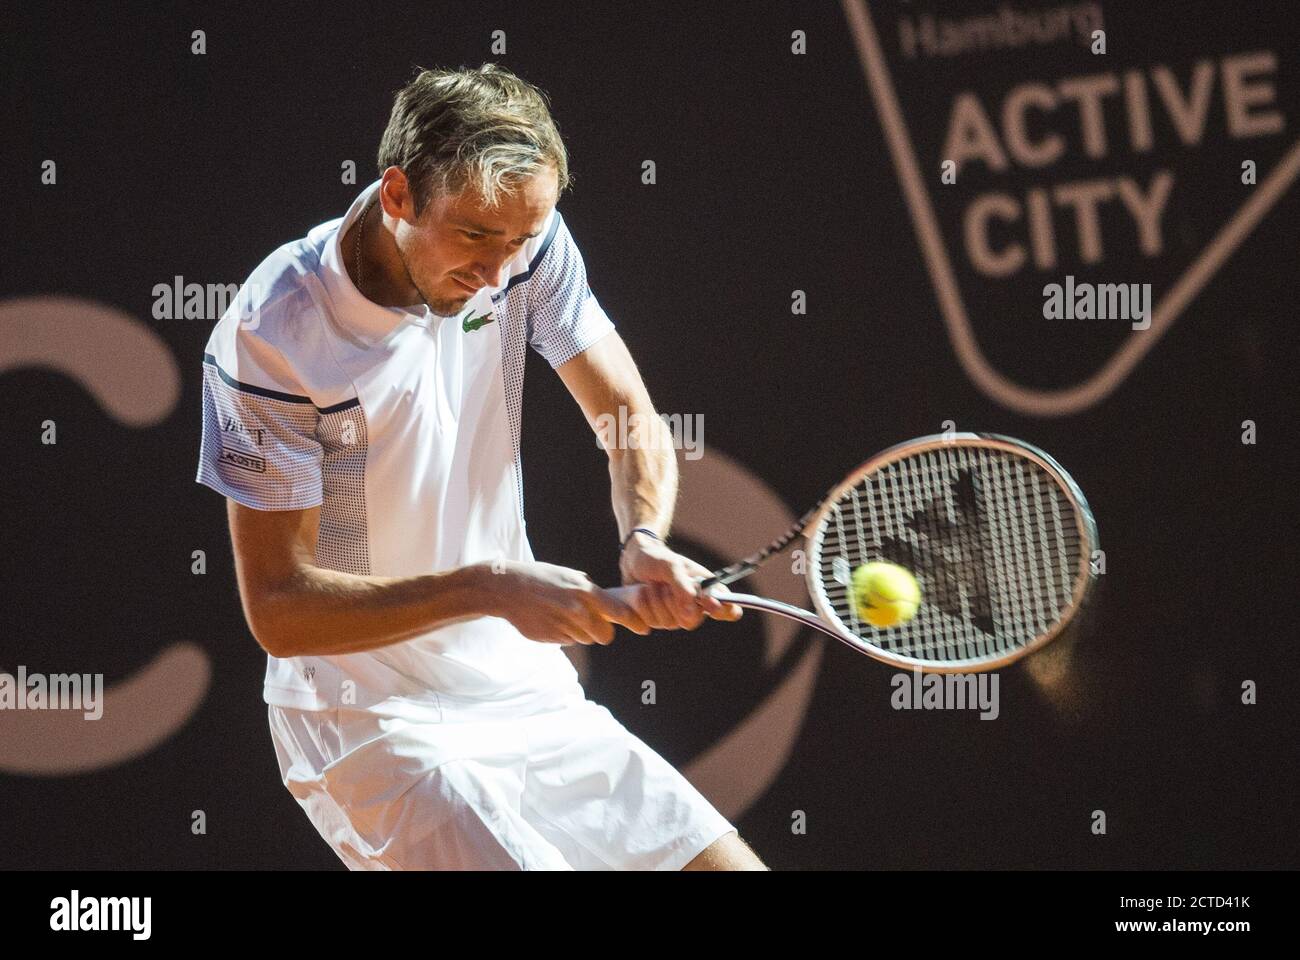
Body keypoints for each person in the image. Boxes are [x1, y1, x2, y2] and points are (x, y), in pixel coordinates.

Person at [196, 63, 767, 870]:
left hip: (520, 689)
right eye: (473, 237)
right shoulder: (274, 335)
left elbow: (626, 414)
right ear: (398, 196)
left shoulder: (523, 248)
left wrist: (644, 534)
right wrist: (490, 590)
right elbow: (280, 609)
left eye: (520, 240)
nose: (497, 273)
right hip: (367, 721)